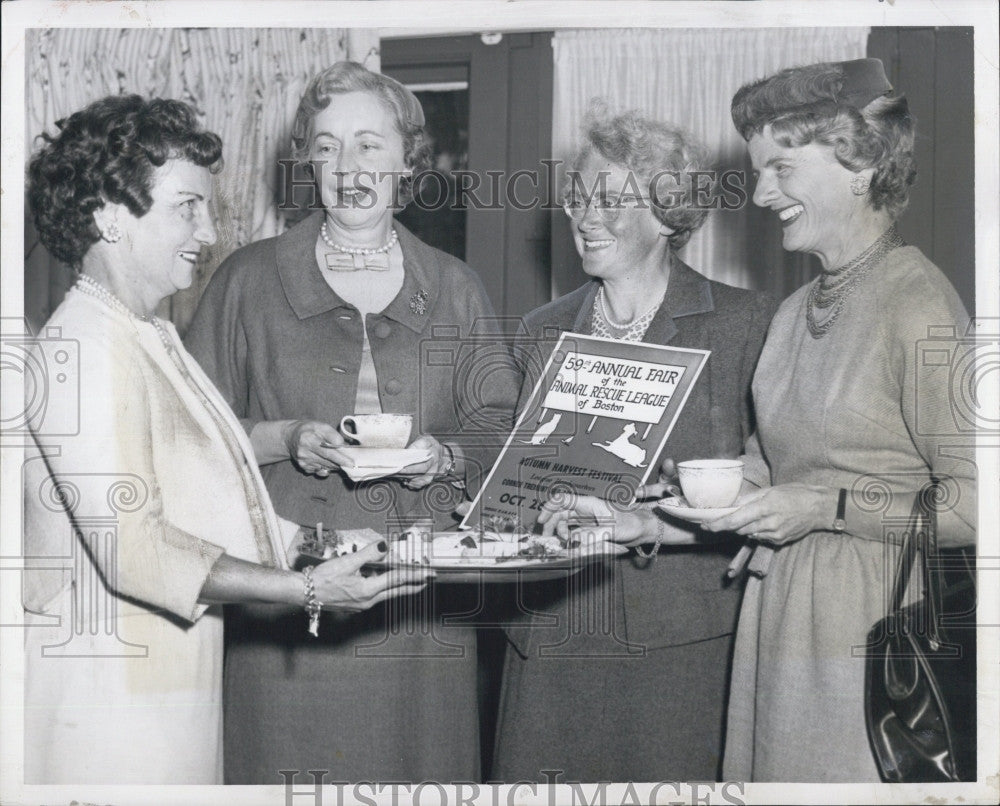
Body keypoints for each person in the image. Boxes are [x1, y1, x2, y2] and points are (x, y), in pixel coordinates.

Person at [540, 59, 978, 783]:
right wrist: (640, 520)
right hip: (775, 616)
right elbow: (760, 477)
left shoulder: (919, 301)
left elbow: (977, 505)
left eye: (781, 167)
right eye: (757, 168)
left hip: (868, 630)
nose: (761, 191)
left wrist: (827, 506)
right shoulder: (793, 309)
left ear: (860, 164)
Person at [21, 94, 432, 785]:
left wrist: (327, 545)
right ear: (107, 216)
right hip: (105, 706)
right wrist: (304, 589)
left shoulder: (146, 333)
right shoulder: (82, 348)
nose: (209, 231)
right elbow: (136, 548)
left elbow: (213, 498)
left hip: (167, 684)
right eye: (188, 206)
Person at [185, 61, 516, 783]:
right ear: (307, 162)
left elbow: (503, 430)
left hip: (420, 607)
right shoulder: (247, 279)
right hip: (287, 606)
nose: (347, 167)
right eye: (327, 146)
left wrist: (447, 457)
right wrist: (285, 438)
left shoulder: (456, 288)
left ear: (408, 159)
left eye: (369, 144)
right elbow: (186, 439)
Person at [489, 105, 777, 782]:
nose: (586, 216)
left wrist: (675, 501)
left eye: (611, 200)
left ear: (667, 213)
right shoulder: (540, 329)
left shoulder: (744, 326)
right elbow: (514, 477)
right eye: (578, 197)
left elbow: (770, 490)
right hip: (550, 638)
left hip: (676, 650)